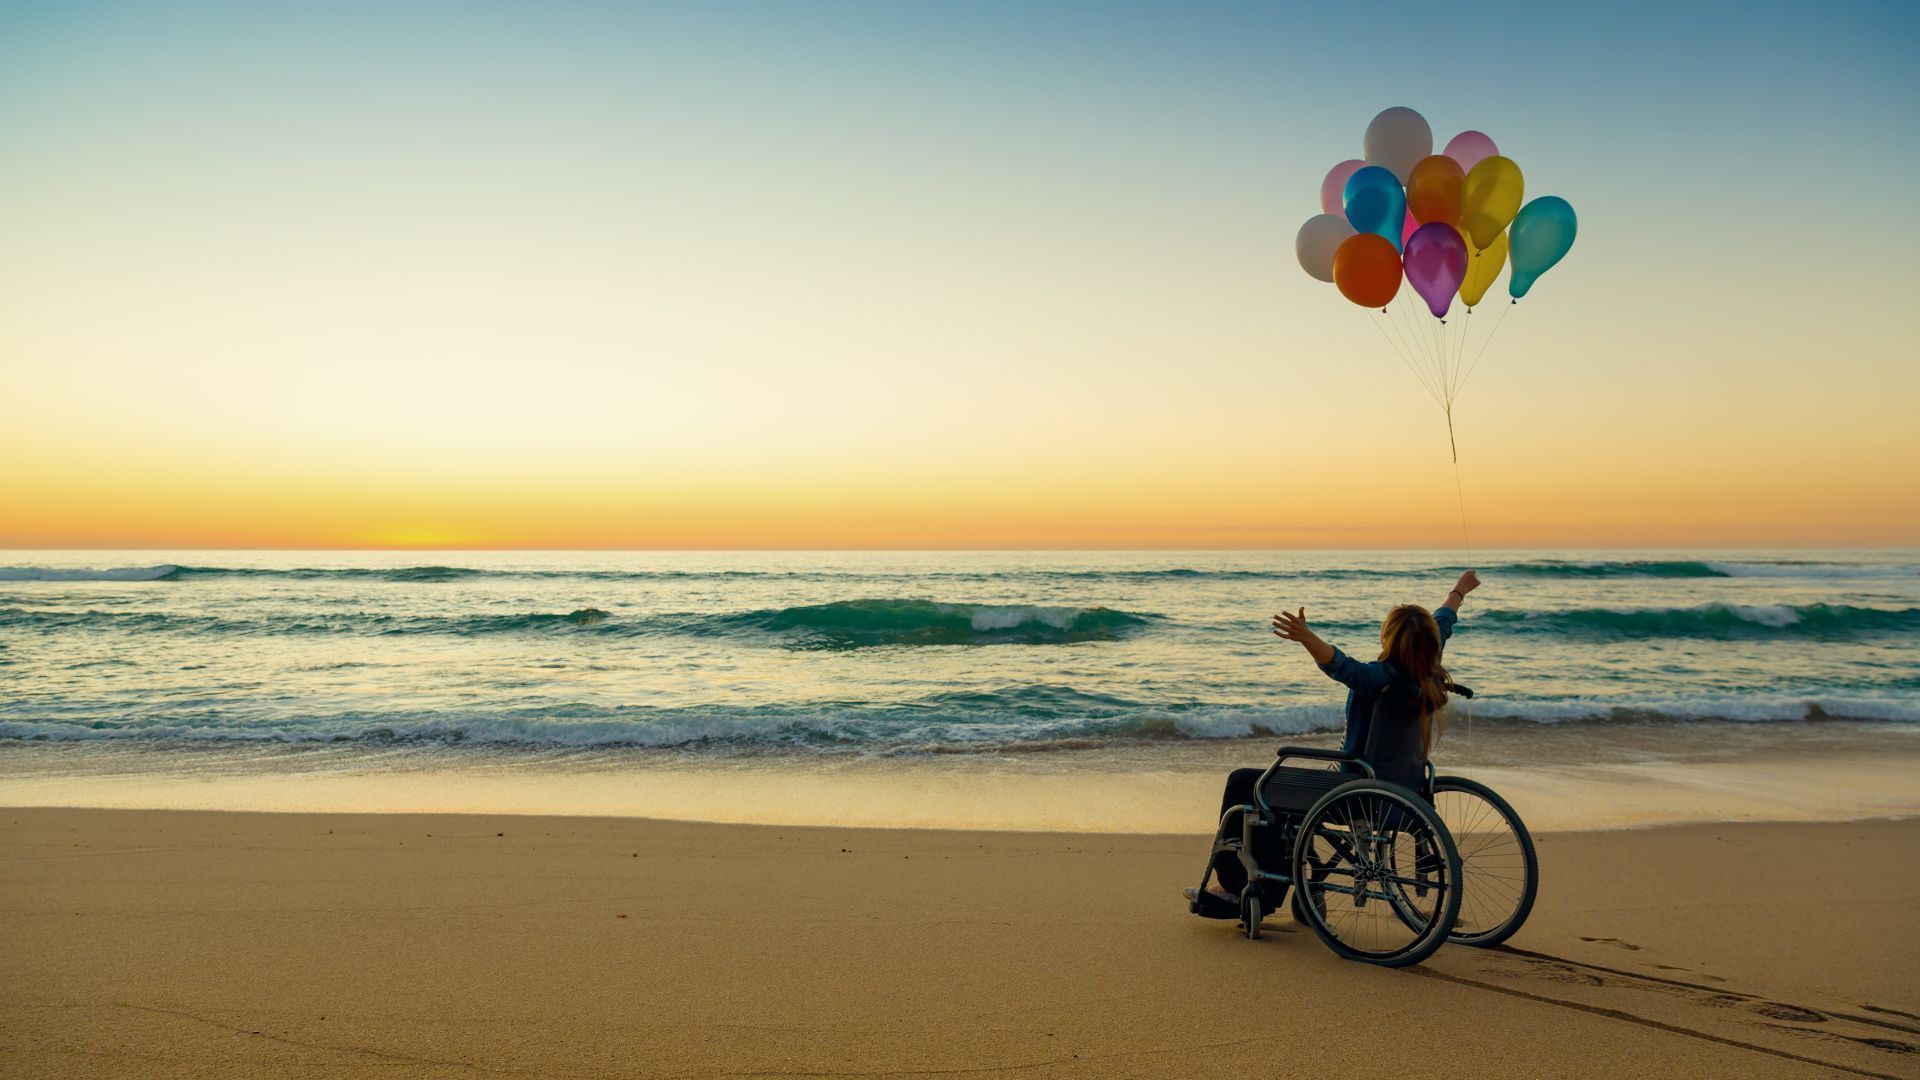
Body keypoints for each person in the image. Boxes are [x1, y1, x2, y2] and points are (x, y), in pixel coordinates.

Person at [1190, 570, 1479, 918]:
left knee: (1247, 783)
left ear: (1388, 637)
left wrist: (1306, 637)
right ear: (1430, 644)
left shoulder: (1379, 678)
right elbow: (1442, 622)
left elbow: (1339, 665)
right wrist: (1458, 592)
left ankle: (1237, 887)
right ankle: (1297, 890)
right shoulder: (1428, 672)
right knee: (1278, 793)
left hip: (1354, 790)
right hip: (1405, 795)